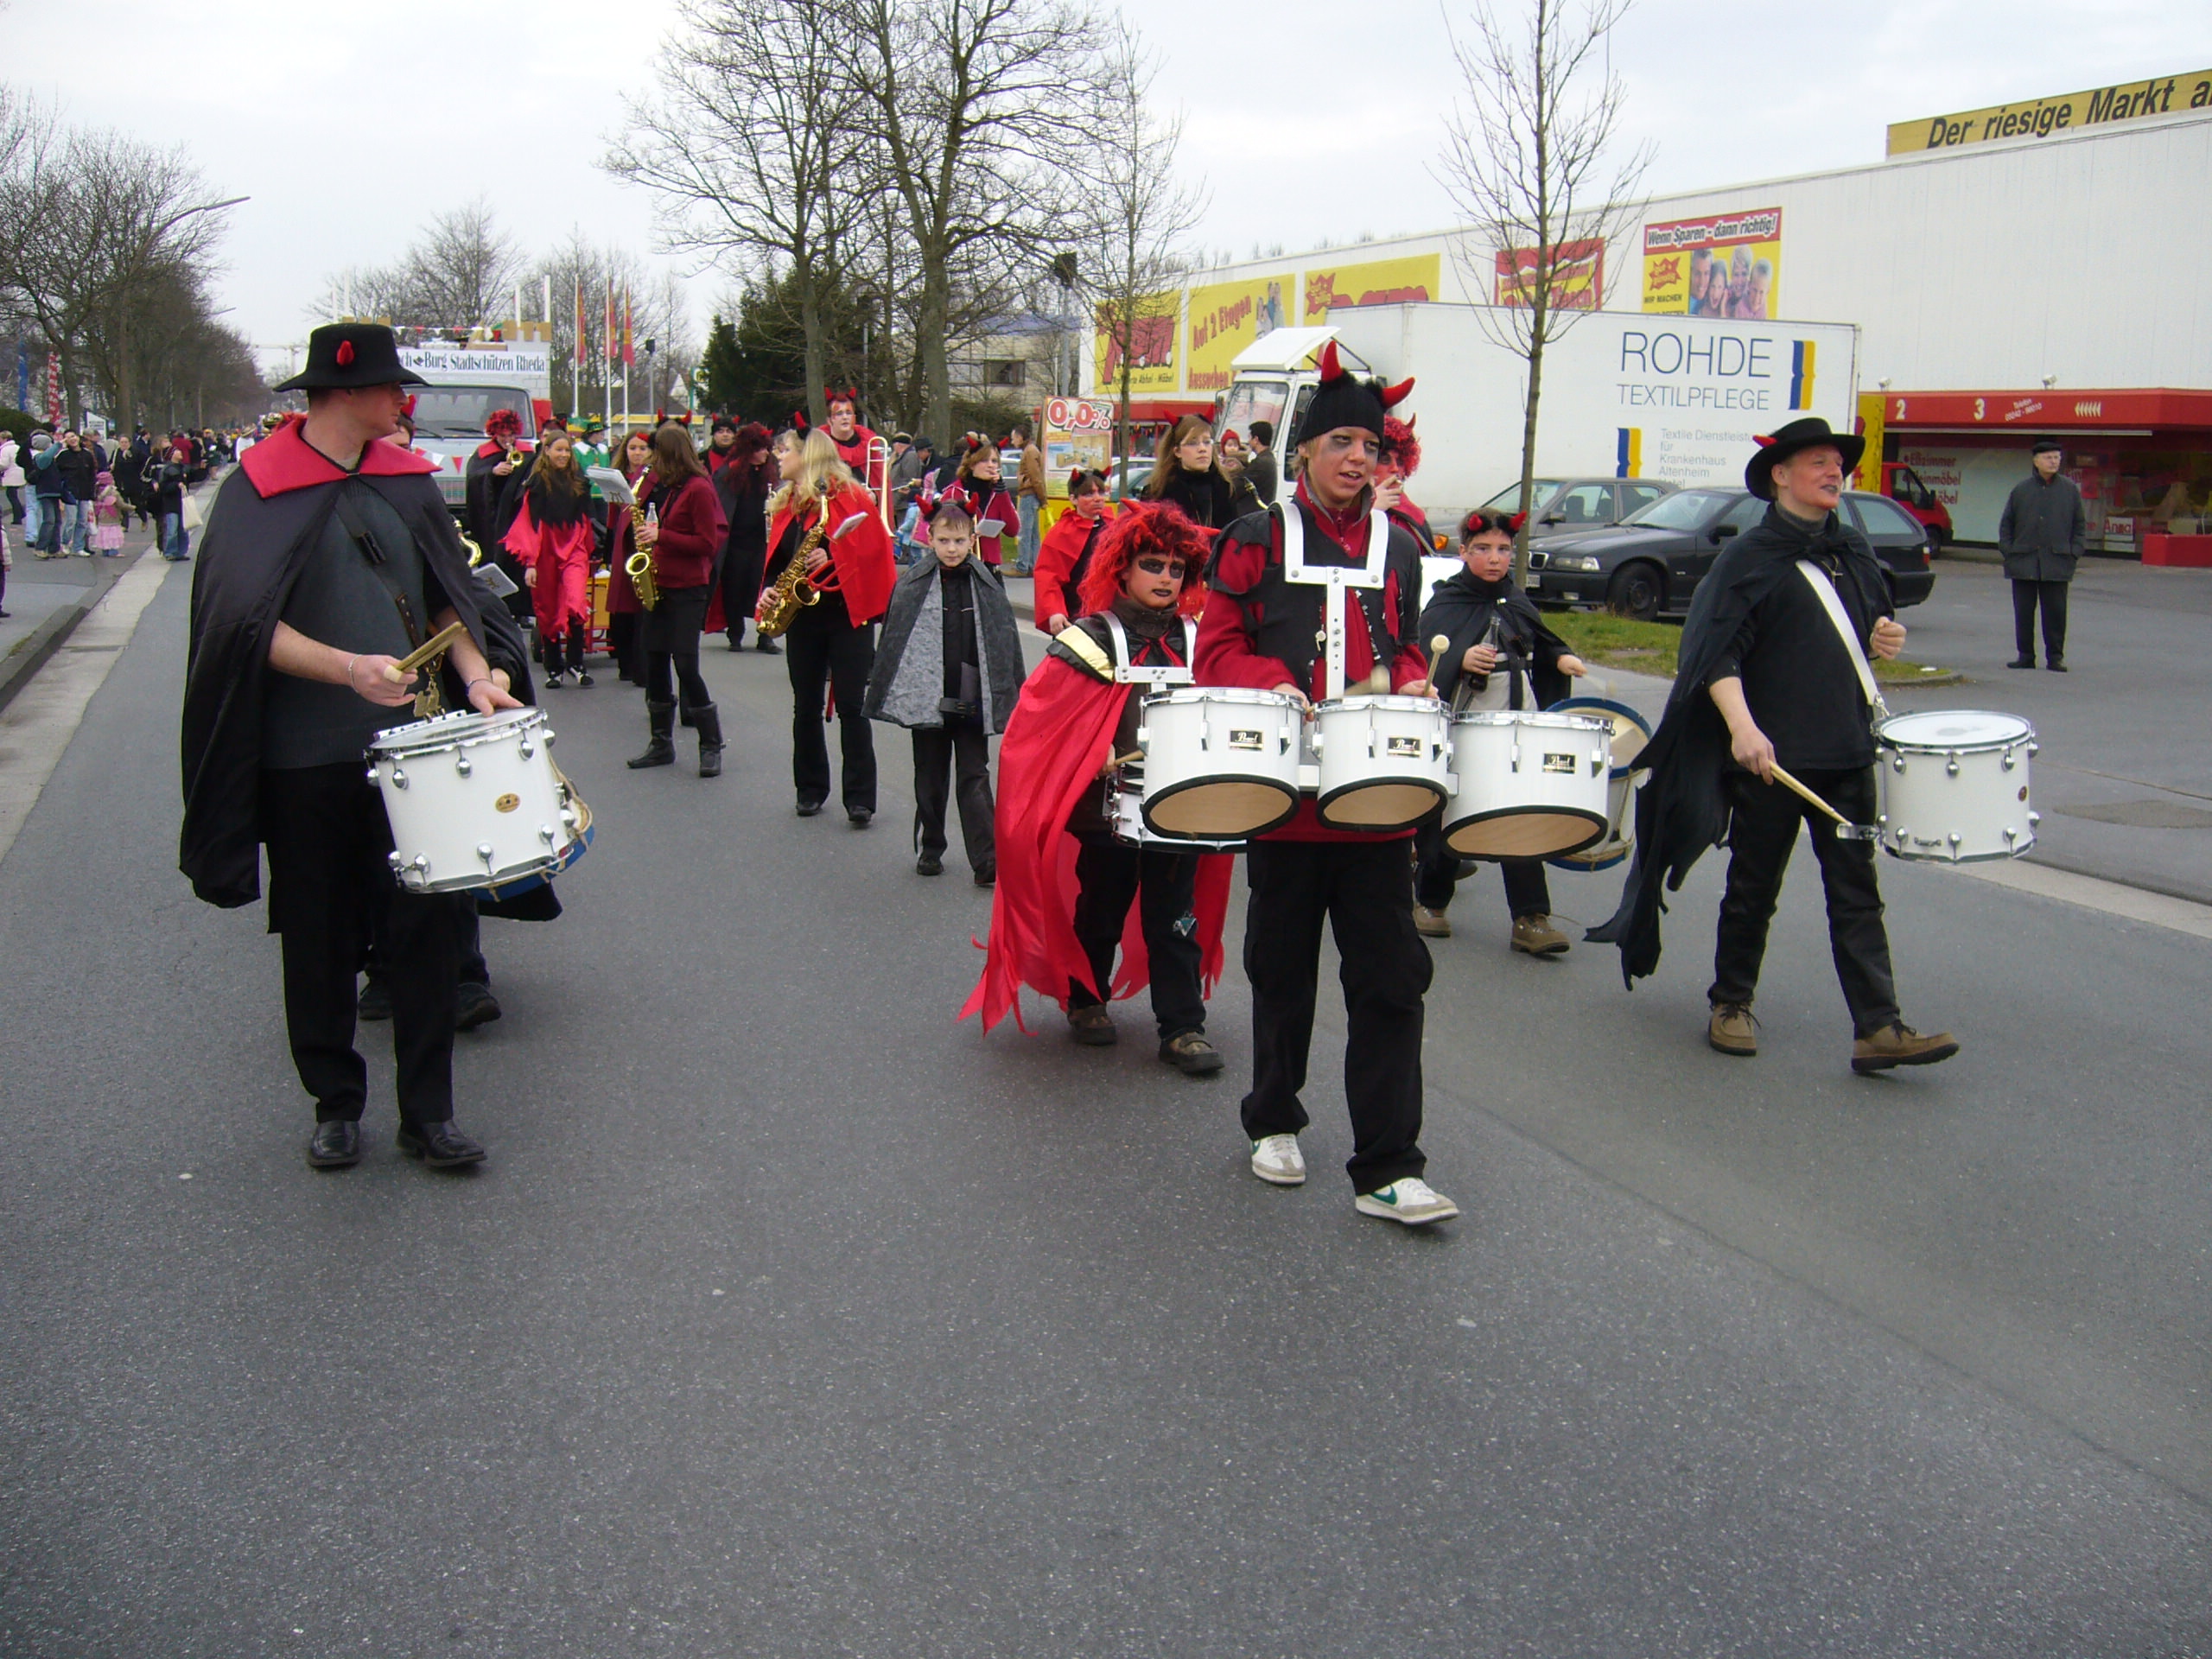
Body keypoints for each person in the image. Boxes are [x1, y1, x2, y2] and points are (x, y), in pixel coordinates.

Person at [179, 322, 521, 1171]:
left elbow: (446, 599)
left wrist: (477, 674)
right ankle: (335, 1103)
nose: (403, 400)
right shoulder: (258, 488)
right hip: (304, 758)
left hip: (414, 753)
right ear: (343, 393)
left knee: (427, 934)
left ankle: (428, 1114)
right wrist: (347, 669)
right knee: (319, 939)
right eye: (390, 387)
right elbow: (241, 625)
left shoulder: (407, 483)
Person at [1588, 415, 1959, 1076]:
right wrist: (1742, 728)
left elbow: (1865, 630)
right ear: (1781, 475)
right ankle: (1730, 1002)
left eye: (1836, 463)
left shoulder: (1851, 551)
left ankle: (1878, 1027)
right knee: (1754, 888)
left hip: (1847, 753)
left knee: (1857, 893)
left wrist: (1885, 638)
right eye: (1818, 462)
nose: (1833, 472)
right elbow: (1715, 653)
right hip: (1772, 762)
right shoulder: (1746, 559)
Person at [1195, 342, 1458, 1226]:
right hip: (1287, 803)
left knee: (1392, 981)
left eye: (1370, 446)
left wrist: (1414, 680)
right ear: (1303, 447)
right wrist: (1273, 681)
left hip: (1378, 805)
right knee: (1282, 974)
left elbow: (1404, 646)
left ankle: (1389, 1164)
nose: (1356, 459)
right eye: (1341, 441)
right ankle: (1274, 1118)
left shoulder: (1401, 546)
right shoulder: (1253, 538)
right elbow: (1215, 650)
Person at [963, 501, 1233, 1073]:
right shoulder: (1088, 639)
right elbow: (1038, 724)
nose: (1166, 578)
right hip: (1106, 813)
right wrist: (1086, 750)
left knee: (1174, 918)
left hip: (1179, 808)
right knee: (1101, 910)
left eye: (1176, 569)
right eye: (1153, 565)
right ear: (1123, 569)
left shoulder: (1200, 639)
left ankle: (1183, 1026)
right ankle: (1087, 1001)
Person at [1413, 508, 1589, 952]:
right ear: (1464, 551)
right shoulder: (1448, 601)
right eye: (1484, 549)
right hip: (1465, 728)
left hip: (1517, 729)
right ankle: (1431, 902)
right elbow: (1428, 657)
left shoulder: (1515, 600)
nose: (1495, 558)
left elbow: (1540, 640)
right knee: (1451, 813)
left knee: (1520, 816)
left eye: (1504, 549)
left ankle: (1530, 918)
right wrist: (1461, 659)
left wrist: (1560, 657)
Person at [863, 490, 1022, 883]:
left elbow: (1004, 644)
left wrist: (1001, 692)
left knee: (975, 776)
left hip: (972, 697)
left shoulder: (987, 584)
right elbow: (895, 641)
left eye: (959, 540)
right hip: (928, 698)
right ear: (929, 538)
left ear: (972, 540)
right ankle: (931, 846)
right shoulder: (912, 584)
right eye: (944, 540)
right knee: (930, 776)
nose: (952, 549)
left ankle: (986, 860)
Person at [760, 426, 897, 822]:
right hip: (802, 617)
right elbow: (777, 561)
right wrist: (768, 591)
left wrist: (834, 557)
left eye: (785, 450)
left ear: (807, 455)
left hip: (845, 615)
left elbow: (875, 552)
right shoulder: (788, 504)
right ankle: (810, 789)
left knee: (853, 706)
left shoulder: (850, 496)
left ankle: (860, 798)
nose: (778, 457)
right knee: (805, 705)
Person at [624, 423, 730, 777]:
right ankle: (661, 743)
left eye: (656, 454)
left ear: (670, 454)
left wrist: (661, 536)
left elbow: (707, 544)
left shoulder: (699, 489)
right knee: (654, 661)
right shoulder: (676, 488)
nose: (651, 461)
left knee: (685, 665)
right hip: (662, 584)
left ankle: (711, 743)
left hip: (688, 589)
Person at [503, 429, 601, 690]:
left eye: (567, 450)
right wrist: (530, 563)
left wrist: (592, 547)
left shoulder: (579, 481)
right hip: (545, 551)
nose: (564, 455)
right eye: (559, 450)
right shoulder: (536, 483)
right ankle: (554, 668)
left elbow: (588, 519)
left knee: (576, 603)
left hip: (574, 549)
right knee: (547, 610)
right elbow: (529, 525)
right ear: (546, 451)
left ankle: (576, 663)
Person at [1999, 437, 2086, 671]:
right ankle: (2025, 655)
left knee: (2056, 613)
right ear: (2036, 461)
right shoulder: (2021, 490)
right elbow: (2007, 524)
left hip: (2058, 561)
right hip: (2023, 561)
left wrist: (2075, 552)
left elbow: (2079, 525)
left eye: (2057, 457)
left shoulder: (2069, 490)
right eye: (2048, 458)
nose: (2054, 462)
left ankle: (2055, 657)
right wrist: (2008, 551)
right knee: (2024, 612)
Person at [711, 421, 775, 653]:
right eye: (761, 449)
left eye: (767, 448)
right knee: (734, 588)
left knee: (765, 587)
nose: (766, 453)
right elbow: (720, 507)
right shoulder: (729, 473)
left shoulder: (770, 472)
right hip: (736, 542)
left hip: (762, 541)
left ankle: (766, 634)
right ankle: (735, 633)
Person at [1031, 467, 1113, 635]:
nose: (1097, 498)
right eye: (1089, 494)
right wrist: (1055, 611)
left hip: (1110, 613)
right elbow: (1048, 576)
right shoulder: (1061, 533)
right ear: (1073, 499)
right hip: (1074, 613)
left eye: (1100, 492)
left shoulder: (1114, 527)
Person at [464, 410, 530, 616]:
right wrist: (491, 472)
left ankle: (519, 608)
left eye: (511, 435)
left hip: (516, 515)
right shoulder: (483, 453)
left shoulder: (527, 452)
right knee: (494, 557)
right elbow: (473, 478)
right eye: (503, 436)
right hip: (492, 518)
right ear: (494, 433)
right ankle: (495, 606)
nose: (507, 440)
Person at [1144, 414, 1257, 533]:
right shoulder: (1159, 491)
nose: (1202, 449)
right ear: (1177, 451)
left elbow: (1234, 535)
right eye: (1193, 443)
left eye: (1207, 442)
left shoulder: (1225, 488)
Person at [950, 439, 1021, 568]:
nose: (991, 465)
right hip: (960, 563)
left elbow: (1012, 530)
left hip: (990, 564)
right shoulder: (955, 492)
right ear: (972, 465)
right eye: (984, 461)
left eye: (994, 461)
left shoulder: (997, 493)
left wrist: (1002, 492)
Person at [823, 389, 886, 502]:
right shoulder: (821, 448)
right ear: (829, 420)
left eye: (848, 413)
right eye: (839, 413)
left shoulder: (870, 446)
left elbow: (880, 484)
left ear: (854, 417)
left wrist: (875, 496)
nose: (845, 417)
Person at [1013, 423, 1046, 574]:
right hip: (1033, 495)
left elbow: (1035, 476)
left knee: (1025, 532)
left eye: (1014, 438)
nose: (1012, 441)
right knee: (1033, 534)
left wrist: (1043, 498)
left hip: (1029, 495)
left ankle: (1022, 566)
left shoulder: (1030, 451)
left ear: (1020, 437)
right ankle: (1033, 565)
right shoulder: (1031, 450)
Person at [151, 443, 192, 562]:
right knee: (172, 530)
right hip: (171, 503)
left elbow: (192, 478)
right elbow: (163, 488)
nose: (180, 452)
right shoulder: (167, 470)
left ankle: (181, 552)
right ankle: (170, 552)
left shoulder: (183, 468)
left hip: (182, 502)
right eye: (177, 451)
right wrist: (176, 485)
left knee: (183, 530)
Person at [91, 469, 124, 556]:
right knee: (113, 533)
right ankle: (113, 551)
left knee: (104, 533)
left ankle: (105, 551)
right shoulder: (113, 492)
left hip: (101, 517)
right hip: (112, 516)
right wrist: (133, 507)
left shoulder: (97, 492)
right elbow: (121, 504)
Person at [1245, 418, 1279, 506]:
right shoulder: (1269, 458)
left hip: (1256, 512)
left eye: (1249, 437)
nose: (1248, 441)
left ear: (1256, 439)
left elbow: (1239, 485)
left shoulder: (1260, 463)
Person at [1, 430, 23, 524]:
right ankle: (21, 513)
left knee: (11, 495)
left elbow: (4, 464)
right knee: (13, 495)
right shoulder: (17, 447)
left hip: (11, 474)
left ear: (5, 439)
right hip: (20, 473)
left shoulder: (5, 449)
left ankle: (18, 516)